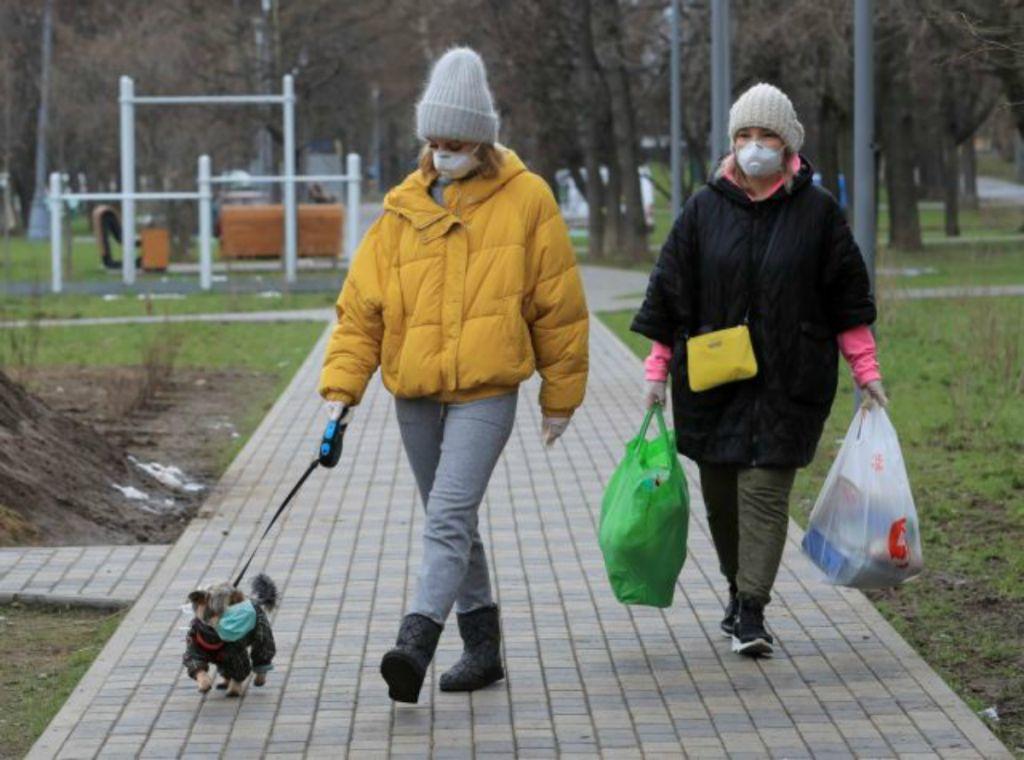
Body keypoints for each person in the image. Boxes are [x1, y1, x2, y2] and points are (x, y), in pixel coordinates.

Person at [318, 47, 589, 702]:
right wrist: (340, 395)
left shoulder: (527, 199)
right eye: (434, 141)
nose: (443, 152)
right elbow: (360, 312)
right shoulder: (401, 210)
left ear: (482, 140)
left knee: (446, 514)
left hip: (488, 390)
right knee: (452, 519)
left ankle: (416, 639)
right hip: (413, 392)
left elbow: (558, 306)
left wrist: (561, 397)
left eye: (456, 141)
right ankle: (484, 649)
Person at [631, 83, 886, 657]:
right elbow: (670, 291)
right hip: (713, 385)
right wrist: (655, 370)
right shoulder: (703, 208)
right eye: (744, 136)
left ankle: (752, 611)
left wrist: (865, 370)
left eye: (765, 136)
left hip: (790, 381)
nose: (754, 147)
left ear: (788, 144)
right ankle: (735, 587)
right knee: (723, 503)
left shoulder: (818, 213)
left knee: (765, 495)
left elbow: (847, 298)